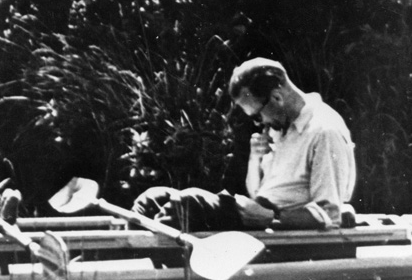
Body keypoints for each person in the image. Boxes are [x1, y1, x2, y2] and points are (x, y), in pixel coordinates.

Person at [133, 57, 357, 231]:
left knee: (189, 203)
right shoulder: (282, 126)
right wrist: (255, 159)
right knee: (153, 198)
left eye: (257, 116)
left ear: (277, 98)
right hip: (259, 216)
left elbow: (329, 215)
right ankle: (131, 252)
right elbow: (259, 193)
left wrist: (271, 218)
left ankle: (151, 269)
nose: (261, 124)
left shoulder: (324, 131)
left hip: (281, 229)